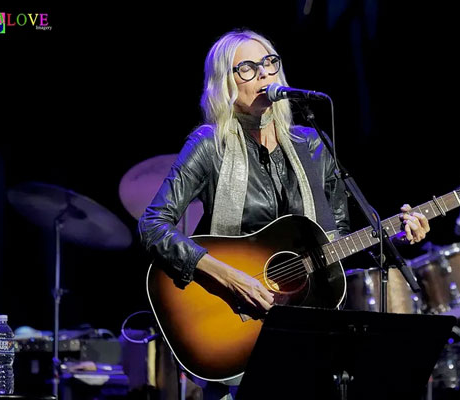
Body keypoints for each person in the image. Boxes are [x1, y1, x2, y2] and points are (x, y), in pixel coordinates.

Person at [138, 29, 430, 400]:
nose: (263, 74)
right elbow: (152, 226)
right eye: (246, 68)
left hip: (306, 329)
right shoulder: (210, 144)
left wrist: (393, 236)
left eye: (269, 63)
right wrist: (227, 275)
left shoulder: (311, 145)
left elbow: (336, 239)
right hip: (234, 325)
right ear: (225, 83)